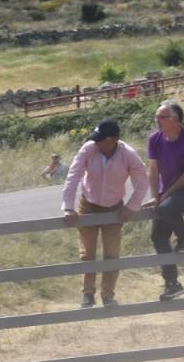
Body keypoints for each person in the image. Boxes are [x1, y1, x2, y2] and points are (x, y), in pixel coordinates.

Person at [61, 119, 149, 308]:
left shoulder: (129, 155)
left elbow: (142, 184)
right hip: (88, 204)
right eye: (96, 139)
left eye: (101, 139)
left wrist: (131, 207)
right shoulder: (88, 149)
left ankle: (108, 295)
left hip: (114, 208)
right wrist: (69, 206)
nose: (97, 142)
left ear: (114, 140)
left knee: (111, 254)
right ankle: (87, 294)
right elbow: (73, 177)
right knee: (87, 253)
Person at [145, 101, 184, 301]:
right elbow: (153, 169)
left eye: (162, 117)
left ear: (175, 119)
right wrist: (155, 195)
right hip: (165, 194)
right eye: (157, 117)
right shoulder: (155, 139)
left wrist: (165, 196)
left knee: (166, 209)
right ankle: (172, 283)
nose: (157, 120)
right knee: (157, 236)